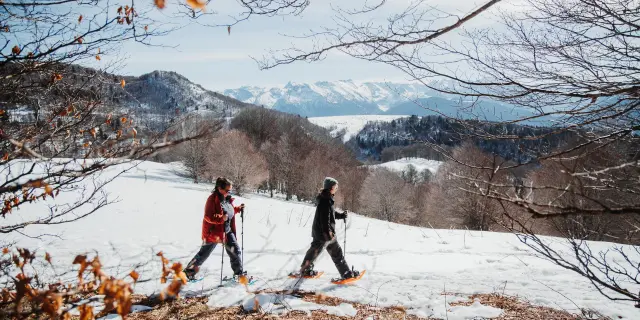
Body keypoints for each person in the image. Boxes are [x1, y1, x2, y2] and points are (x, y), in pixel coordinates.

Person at [184, 177, 246, 281]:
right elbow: (208, 217)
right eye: (227, 190)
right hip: (213, 233)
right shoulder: (212, 199)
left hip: (226, 231)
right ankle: (188, 272)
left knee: (235, 250)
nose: (229, 192)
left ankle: (238, 274)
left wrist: (237, 209)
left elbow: (229, 212)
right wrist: (221, 218)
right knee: (203, 254)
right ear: (219, 188)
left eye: (230, 190)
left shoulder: (227, 199)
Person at [298, 177, 359, 279]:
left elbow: (330, 214)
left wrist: (341, 215)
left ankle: (306, 270)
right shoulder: (326, 200)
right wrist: (328, 234)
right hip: (324, 234)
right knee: (332, 252)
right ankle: (345, 273)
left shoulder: (326, 198)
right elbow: (324, 220)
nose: (337, 188)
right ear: (331, 187)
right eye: (336, 186)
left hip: (322, 233)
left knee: (316, 251)